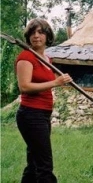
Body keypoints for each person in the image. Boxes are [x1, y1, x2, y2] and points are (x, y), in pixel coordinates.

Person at [15, 18, 72, 182]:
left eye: (40, 32)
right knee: (44, 166)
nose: (36, 36)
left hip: (43, 114)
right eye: (32, 32)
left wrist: (62, 80)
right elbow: (24, 87)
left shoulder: (48, 60)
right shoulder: (26, 57)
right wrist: (55, 82)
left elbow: (45, 83)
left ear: (47, 35)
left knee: (34, 163)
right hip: (30, 115)